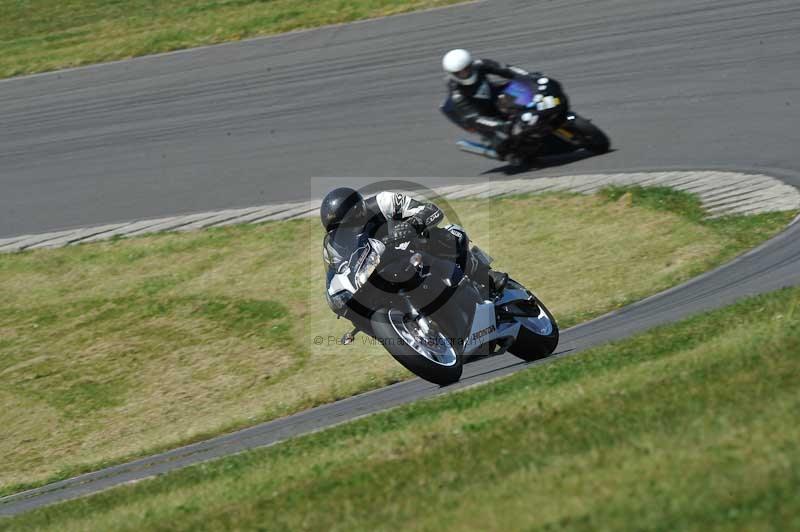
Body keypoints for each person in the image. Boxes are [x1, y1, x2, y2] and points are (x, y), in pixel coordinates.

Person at [321, 187, 508, 317]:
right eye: (337, 230)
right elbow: (339, 272)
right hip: (382, 272)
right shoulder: (334, 247)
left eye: (348, 224)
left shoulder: (383, 202)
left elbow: (432, 211)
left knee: (441, 236)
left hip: (412, 249)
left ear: (359, 212)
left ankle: (485, 277)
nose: (345, 232)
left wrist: (411, 226)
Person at [440, 48, 543, 161]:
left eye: (467, 69)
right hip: (483, 116)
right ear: (452, 74)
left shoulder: (481, 65)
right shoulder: (456, 94)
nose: (465, 73)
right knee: (507, 146)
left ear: (471, 64)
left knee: (525, 89)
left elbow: (507, 70)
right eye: (459, 73)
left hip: (496, 98)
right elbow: (474, 118)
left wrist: (528, 76)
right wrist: (502, 125)